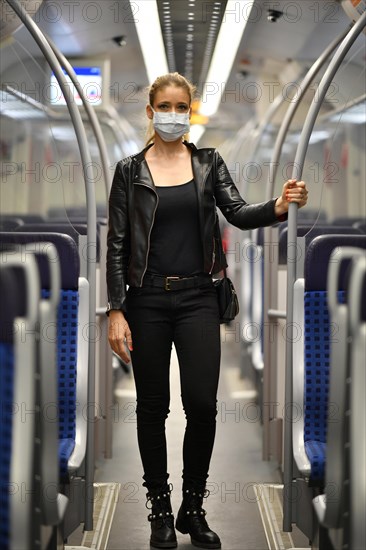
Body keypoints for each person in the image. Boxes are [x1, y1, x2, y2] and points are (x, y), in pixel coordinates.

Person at [106, 72, 308, 549]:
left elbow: (236, 211)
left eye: (182, 106)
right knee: (153, 408)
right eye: (165, 106)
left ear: (189, 112)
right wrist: (116, 309)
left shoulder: (208, 163)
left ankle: (192, 507)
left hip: (199, 297)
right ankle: (159, 507)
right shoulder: (128, 171)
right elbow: (117, 245)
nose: (173, 114)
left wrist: (278, 206)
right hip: (146, 299)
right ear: (151, 112)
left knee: (201, 404)